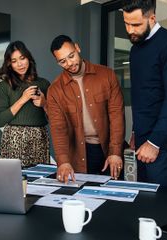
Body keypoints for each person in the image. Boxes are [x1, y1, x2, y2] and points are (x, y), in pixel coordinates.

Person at [122, 0, 167, 191]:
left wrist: (154, 142)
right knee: (144, 196)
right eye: (126, 23)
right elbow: (141, 96)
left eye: (136, 24)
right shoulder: (136, 49)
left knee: (162, 202)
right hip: (143, 136)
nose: (130, 30)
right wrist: (136, 132)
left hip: (163, 139)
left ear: (152, 18)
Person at [47, 35, 125, 182]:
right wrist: (63, 161)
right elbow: (58, 128)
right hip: (80, 153)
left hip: (108, 148)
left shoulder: (107, 75)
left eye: (71, 56)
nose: (69, 63)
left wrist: (115, 151)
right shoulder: (55, 90)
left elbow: (116, 115)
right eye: (62, 61)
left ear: (77, 48)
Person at [0, 41, 50, 167]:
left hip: (39, 138)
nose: (19, 64)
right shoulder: (5, 85)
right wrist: (22, 99)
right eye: (14, 61)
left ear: (28, 58)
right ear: (9, 64)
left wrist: (44, 104)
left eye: (22, 58)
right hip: (14, 139)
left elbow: (56, 118)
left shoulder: (44, 84)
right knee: (12, 181)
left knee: (39, 181)